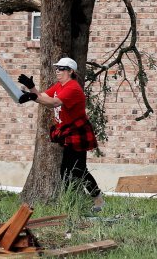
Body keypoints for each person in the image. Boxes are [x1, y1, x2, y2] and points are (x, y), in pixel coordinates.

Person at [18, 58, 104, 211]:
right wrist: (32, 88)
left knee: (78, 170)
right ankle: (72, 202)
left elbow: (54, 103)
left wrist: (33, 96)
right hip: (68, 131)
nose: (57, 71)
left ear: (70, 71)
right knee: (67, 170)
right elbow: (44, 97)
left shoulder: (73, 88)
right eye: (56, 68)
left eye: (61, 68)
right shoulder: (60, 85)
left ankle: (96, 200)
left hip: (77, 131)